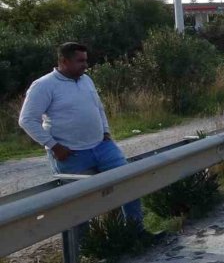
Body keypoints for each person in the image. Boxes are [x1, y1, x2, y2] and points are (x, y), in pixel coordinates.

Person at [18, 42, 145, 230]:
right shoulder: (44, 85)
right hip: (71, 154)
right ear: (63, 61)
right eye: (80, 61)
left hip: (102, 147)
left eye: (86, 60)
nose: (85, 65)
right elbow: (27, 120)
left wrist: (106, 131)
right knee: (78, 203)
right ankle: (85, 250)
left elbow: (98, 107)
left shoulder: (86, 79)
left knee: (128, 183)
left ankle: (136, 233)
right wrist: (54, 146)